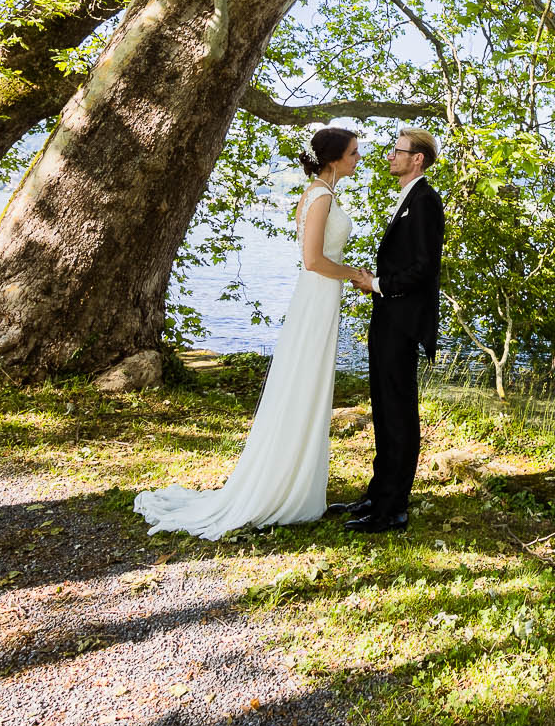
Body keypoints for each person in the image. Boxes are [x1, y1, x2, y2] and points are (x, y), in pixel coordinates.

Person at [133, 126, 375, 539]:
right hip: (316, 296)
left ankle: (299, 480)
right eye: (354, 153)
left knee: (310, 384)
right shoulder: (319, 196)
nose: (358, 159)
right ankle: (283, 484)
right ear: (334, 158)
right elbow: (313, 260)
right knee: (304, 383)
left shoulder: (326, 193)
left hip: (322, 299)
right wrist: (355, 273)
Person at [330, 126, 444, 534]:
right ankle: (377, 494)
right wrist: (377, 283)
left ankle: (393, 509)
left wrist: (376, 284)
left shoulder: (426, 200)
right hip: (388, 317)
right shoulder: (409, 197)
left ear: (417, 159)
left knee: (398, 413)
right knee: (384, 408)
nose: (390, 157)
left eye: (397, 152)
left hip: (402, 321)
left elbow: (424, 268)